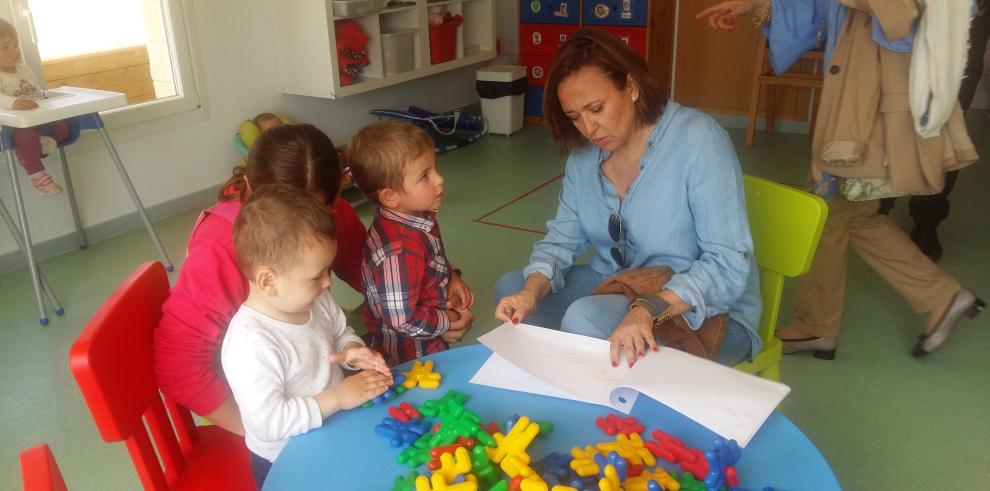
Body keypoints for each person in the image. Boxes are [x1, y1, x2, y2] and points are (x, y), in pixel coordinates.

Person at [697, 0, 985, 358]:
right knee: (850, 212)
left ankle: (816, 325)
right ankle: (940, 295)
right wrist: (760, 5)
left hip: (873, 101)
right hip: (857, 95)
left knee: (823, 210)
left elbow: (903, 15)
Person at [493, 29, 763, 368]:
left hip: (704, 308)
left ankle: (598, 406)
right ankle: (568, 388)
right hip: (621, 283)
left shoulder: (699, 141)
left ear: (632, 87)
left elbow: (728, 263)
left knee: (585, 320)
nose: (589, 128)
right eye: (575, 116)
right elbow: (562, 239)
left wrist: (649, 309)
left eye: (596, 108)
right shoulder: (584, 154)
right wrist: (531, 290)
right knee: (513, 287)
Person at [153, 124, 367, 435]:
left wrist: (443, 288)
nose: (305, 225)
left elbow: (371, 273)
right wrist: (259, 433)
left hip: (312, 372)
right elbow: (178, 367)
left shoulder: (331, 217)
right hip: (260, 407)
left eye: (320, 210)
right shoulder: (219, 248)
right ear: (250, 189)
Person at [222, 185, 391, 488]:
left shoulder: (315, 299)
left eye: (328, 270)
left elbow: (339, 332)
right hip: (287, 461)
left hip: (334, 429)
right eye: (317, 275)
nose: (328, 282)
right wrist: (338, 397)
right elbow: (269, 421)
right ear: (268, 280)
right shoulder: (251, 343)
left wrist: (352, 350)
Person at [347, 121, 475, 366]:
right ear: (390, 197)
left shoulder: (414, 216)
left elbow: (430, 257)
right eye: (424, 176)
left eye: (435, 167)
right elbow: (401, 320)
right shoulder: (399, 250)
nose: (439, 179)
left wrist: (451, 276)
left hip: (428, 339)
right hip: (412, 358)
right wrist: (448, 319)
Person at [0, 18, 70, 196]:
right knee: (26, 138)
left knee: (62, 126)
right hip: (14, 128)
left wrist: (45, 105)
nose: (15, 50)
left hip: (39, 120)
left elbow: (38, 94)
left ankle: (41, 145)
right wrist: (14, 103)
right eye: (5, 47)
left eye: (16, 44)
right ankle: (38, 177)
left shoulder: (26, 70)